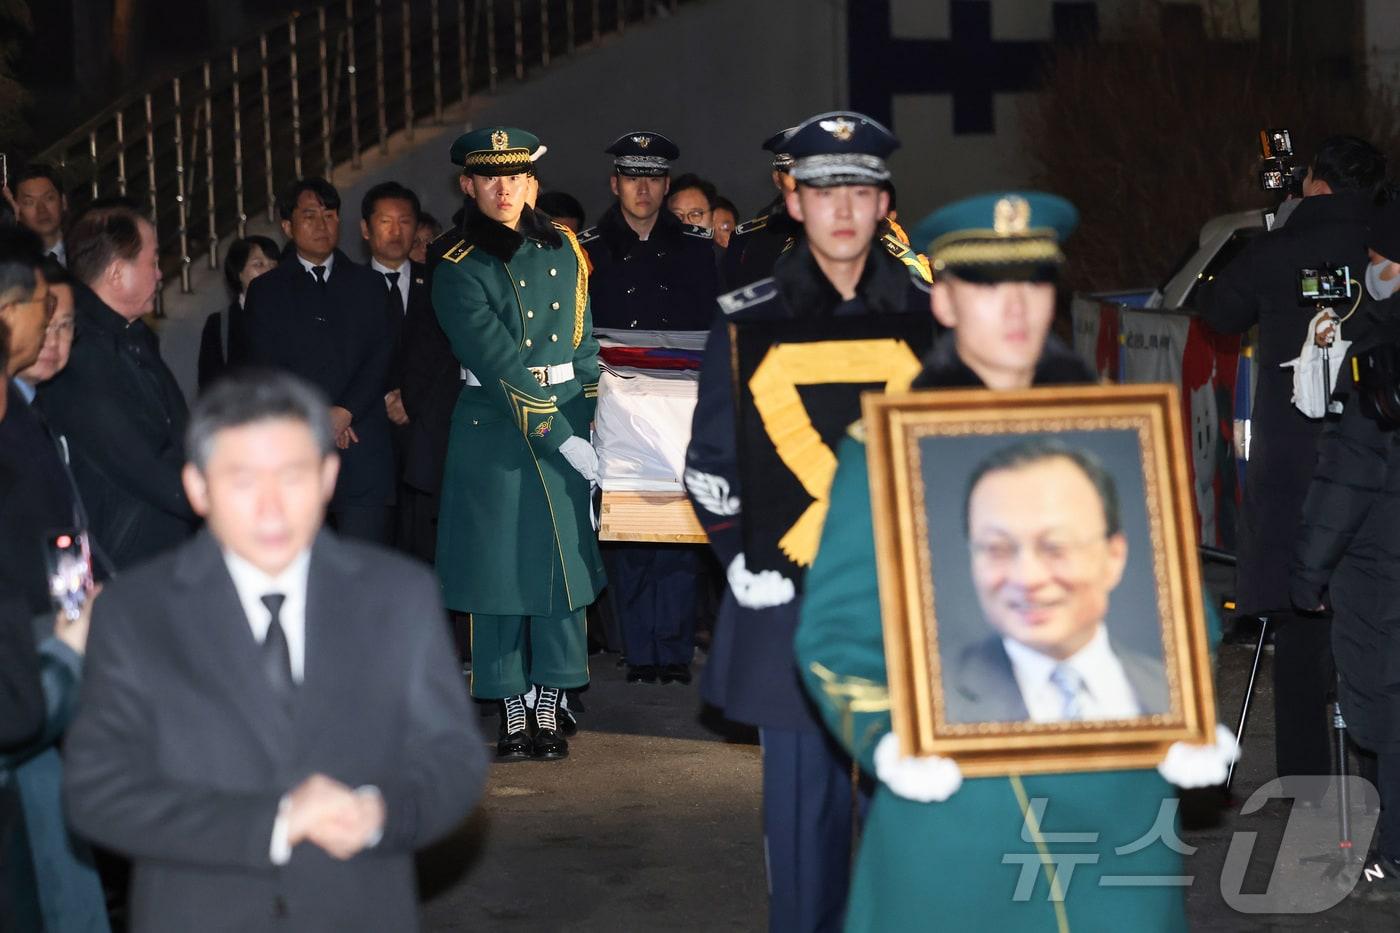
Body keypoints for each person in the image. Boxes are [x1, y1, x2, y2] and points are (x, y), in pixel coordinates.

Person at [794, 191, 1235, 932]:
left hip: (1114, 808)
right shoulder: (888, 450)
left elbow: (1171, 597)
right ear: (943, 302)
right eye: (985, 285)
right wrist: (886, 737)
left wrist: (1185, 708)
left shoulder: (1116, 430)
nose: (1014, 306)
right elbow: (835, 633)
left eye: (1032, 282)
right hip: (960, 814)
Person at [62, 371, 486, 932]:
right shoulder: (137, 613)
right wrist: (272, 823)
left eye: (292, 477)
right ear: (197, 487)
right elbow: (97, 790)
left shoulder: (397, 596)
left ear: (329, 476)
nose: (270, 508)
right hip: (198, 913)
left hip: (358, 909)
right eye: (242, 480)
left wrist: (382, 814)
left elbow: (453, 758)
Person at [683, 110, 933, 932]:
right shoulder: (748, 318)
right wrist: (738, 558)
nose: (843, 208)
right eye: (824, 188)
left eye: (860, 188)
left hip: (905, 609)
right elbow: (710, 460)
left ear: (885, 201)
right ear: (793, 200)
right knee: (802, 844)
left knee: (915, 841)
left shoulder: (935, 321)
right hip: (787, 602)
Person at [1198, 134, 1385, 794]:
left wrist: (1277, 227)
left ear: (1317, 183)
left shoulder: (1279, 249)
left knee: (1303, 622)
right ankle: (1377, 780)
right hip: (1380, 470)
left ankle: (1306, 782)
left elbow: (1217, 310)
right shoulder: (1383, 252)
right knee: (1378, 623)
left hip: (1295, 465)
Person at [432, 127, 604, 761]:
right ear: (469, 185)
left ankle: (550, 702)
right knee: (498, 574)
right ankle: (509, 705)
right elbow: (500, 364)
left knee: (563, 570)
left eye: (516, 177)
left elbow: (584, 347)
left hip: (568, 419)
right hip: (494, 431)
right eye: (491, 178)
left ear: (532, 183)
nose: (505, 190)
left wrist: (595, 421)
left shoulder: (565, 247)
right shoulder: (455, 264)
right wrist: (564, 440)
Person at [1292, 196, 1400, 893]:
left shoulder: (1378, 355)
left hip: (1380, 568)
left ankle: (1390, 850)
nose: (1369, 270)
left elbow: (1349, 475)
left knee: (1385, 711)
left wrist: (1309, 571)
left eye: (1377, 259)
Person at [948, 438, 1168, 725]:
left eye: (1055, 547)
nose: (1027, 578)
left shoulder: (1170, 689)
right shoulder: (930, 707)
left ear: (1114, 556)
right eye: (997, 549)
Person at [37, 203, 197, 571]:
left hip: (161, 552)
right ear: (115, 273)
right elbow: (140, 460)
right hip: (127, 567)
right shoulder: (80, 357)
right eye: (152, 261)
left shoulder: (132, 338)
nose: (160, 274)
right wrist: (218, 499)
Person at [244, 177, 397, 545]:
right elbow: (266, 368)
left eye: (330, 215)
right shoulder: (266, 291)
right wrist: (318, 416)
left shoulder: (371, 284)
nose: (321, 225)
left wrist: (345, 411)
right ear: (287, 225)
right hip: (297, 448)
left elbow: (382, 355)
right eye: (309, 215)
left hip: (363, 444)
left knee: (363, 570)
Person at [578, 131, 719, 331]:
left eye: (653, 179)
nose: (643, 190)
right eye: (632, 179)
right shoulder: (587, 251)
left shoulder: (698, 248)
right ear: (615, 185)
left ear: (667, 185)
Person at [359, 180, 434, 555]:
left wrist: (412, 399)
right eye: (385, 221)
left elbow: (446, 358)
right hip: (366, 437)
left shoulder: (438, 284)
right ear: (365, 229)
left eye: (405, 222)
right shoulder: (349, 288)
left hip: (425, 438)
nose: (395, 231)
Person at [197, 234, 278, 391]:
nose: (269, 271)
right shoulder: (219, 324)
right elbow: (209, 386)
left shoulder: (292, 315)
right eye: (258, 264)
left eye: (274, 265)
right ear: (238, 272)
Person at [5, 163, 68, 265]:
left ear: (64, 202)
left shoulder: (85, 249)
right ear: (15, 209)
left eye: (49, 198)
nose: (41, 210)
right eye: (29, 202)